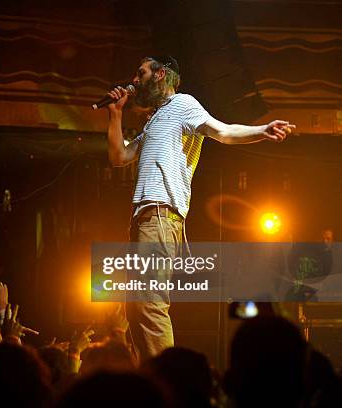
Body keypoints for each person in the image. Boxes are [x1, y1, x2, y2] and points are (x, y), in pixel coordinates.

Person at [105, 55, 295, 361]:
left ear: (160, 75)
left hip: (160, 213)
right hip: (142, 219)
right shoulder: (154, 119)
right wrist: (115, 114)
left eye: (141, 73)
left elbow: (223, 131)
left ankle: (166, 383)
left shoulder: (183, 104)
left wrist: (261, 130)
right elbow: (119, 157)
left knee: (148, 303)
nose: (135, 79)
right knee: (136, 307)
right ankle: (153, 378)